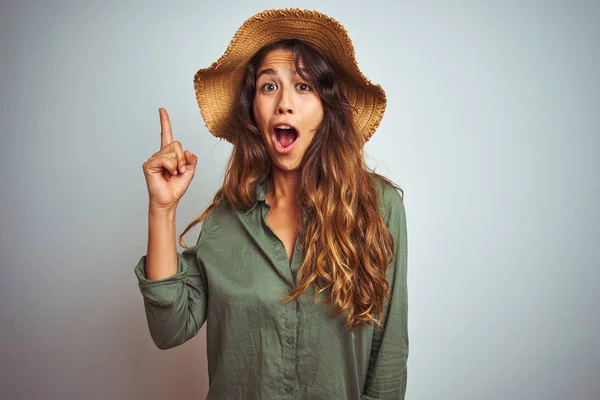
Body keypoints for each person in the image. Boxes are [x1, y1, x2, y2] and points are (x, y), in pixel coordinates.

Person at [135, 8, 408, 400]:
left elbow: (388, 360)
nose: (284, 104)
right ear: (252, 110)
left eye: (304, 86)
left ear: (327, 107)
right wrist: (161, 209)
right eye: (268, 87)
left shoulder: (378, 208)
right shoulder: (226, 218)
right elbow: (169, 329)